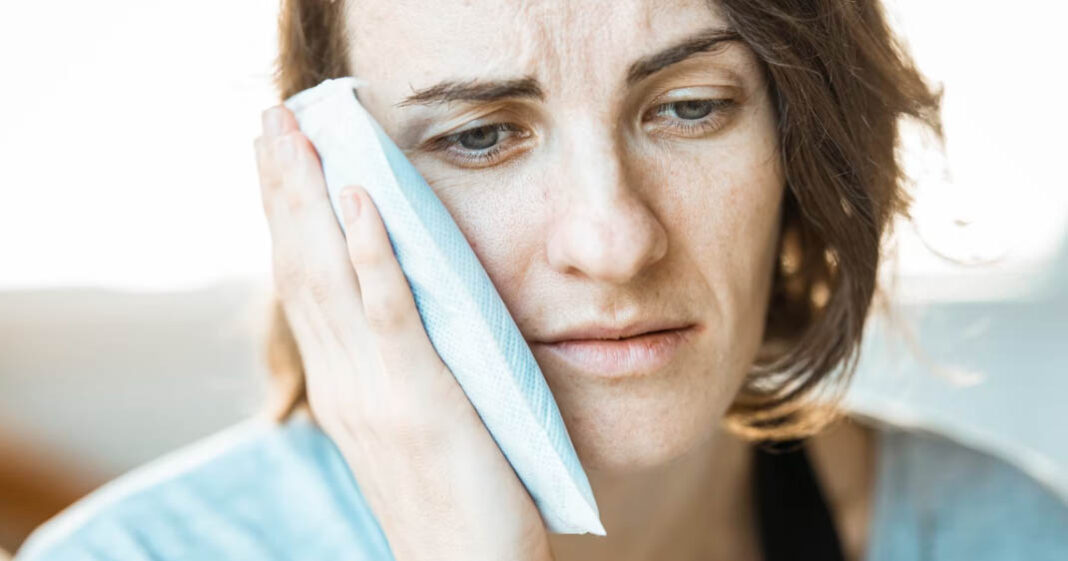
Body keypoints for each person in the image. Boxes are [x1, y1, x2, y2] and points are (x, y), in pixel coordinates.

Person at [15, 0, 1068, 559]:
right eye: (480, 135)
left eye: (692, 108)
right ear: (331, 184)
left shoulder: (1002, 536)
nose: (614, 242)